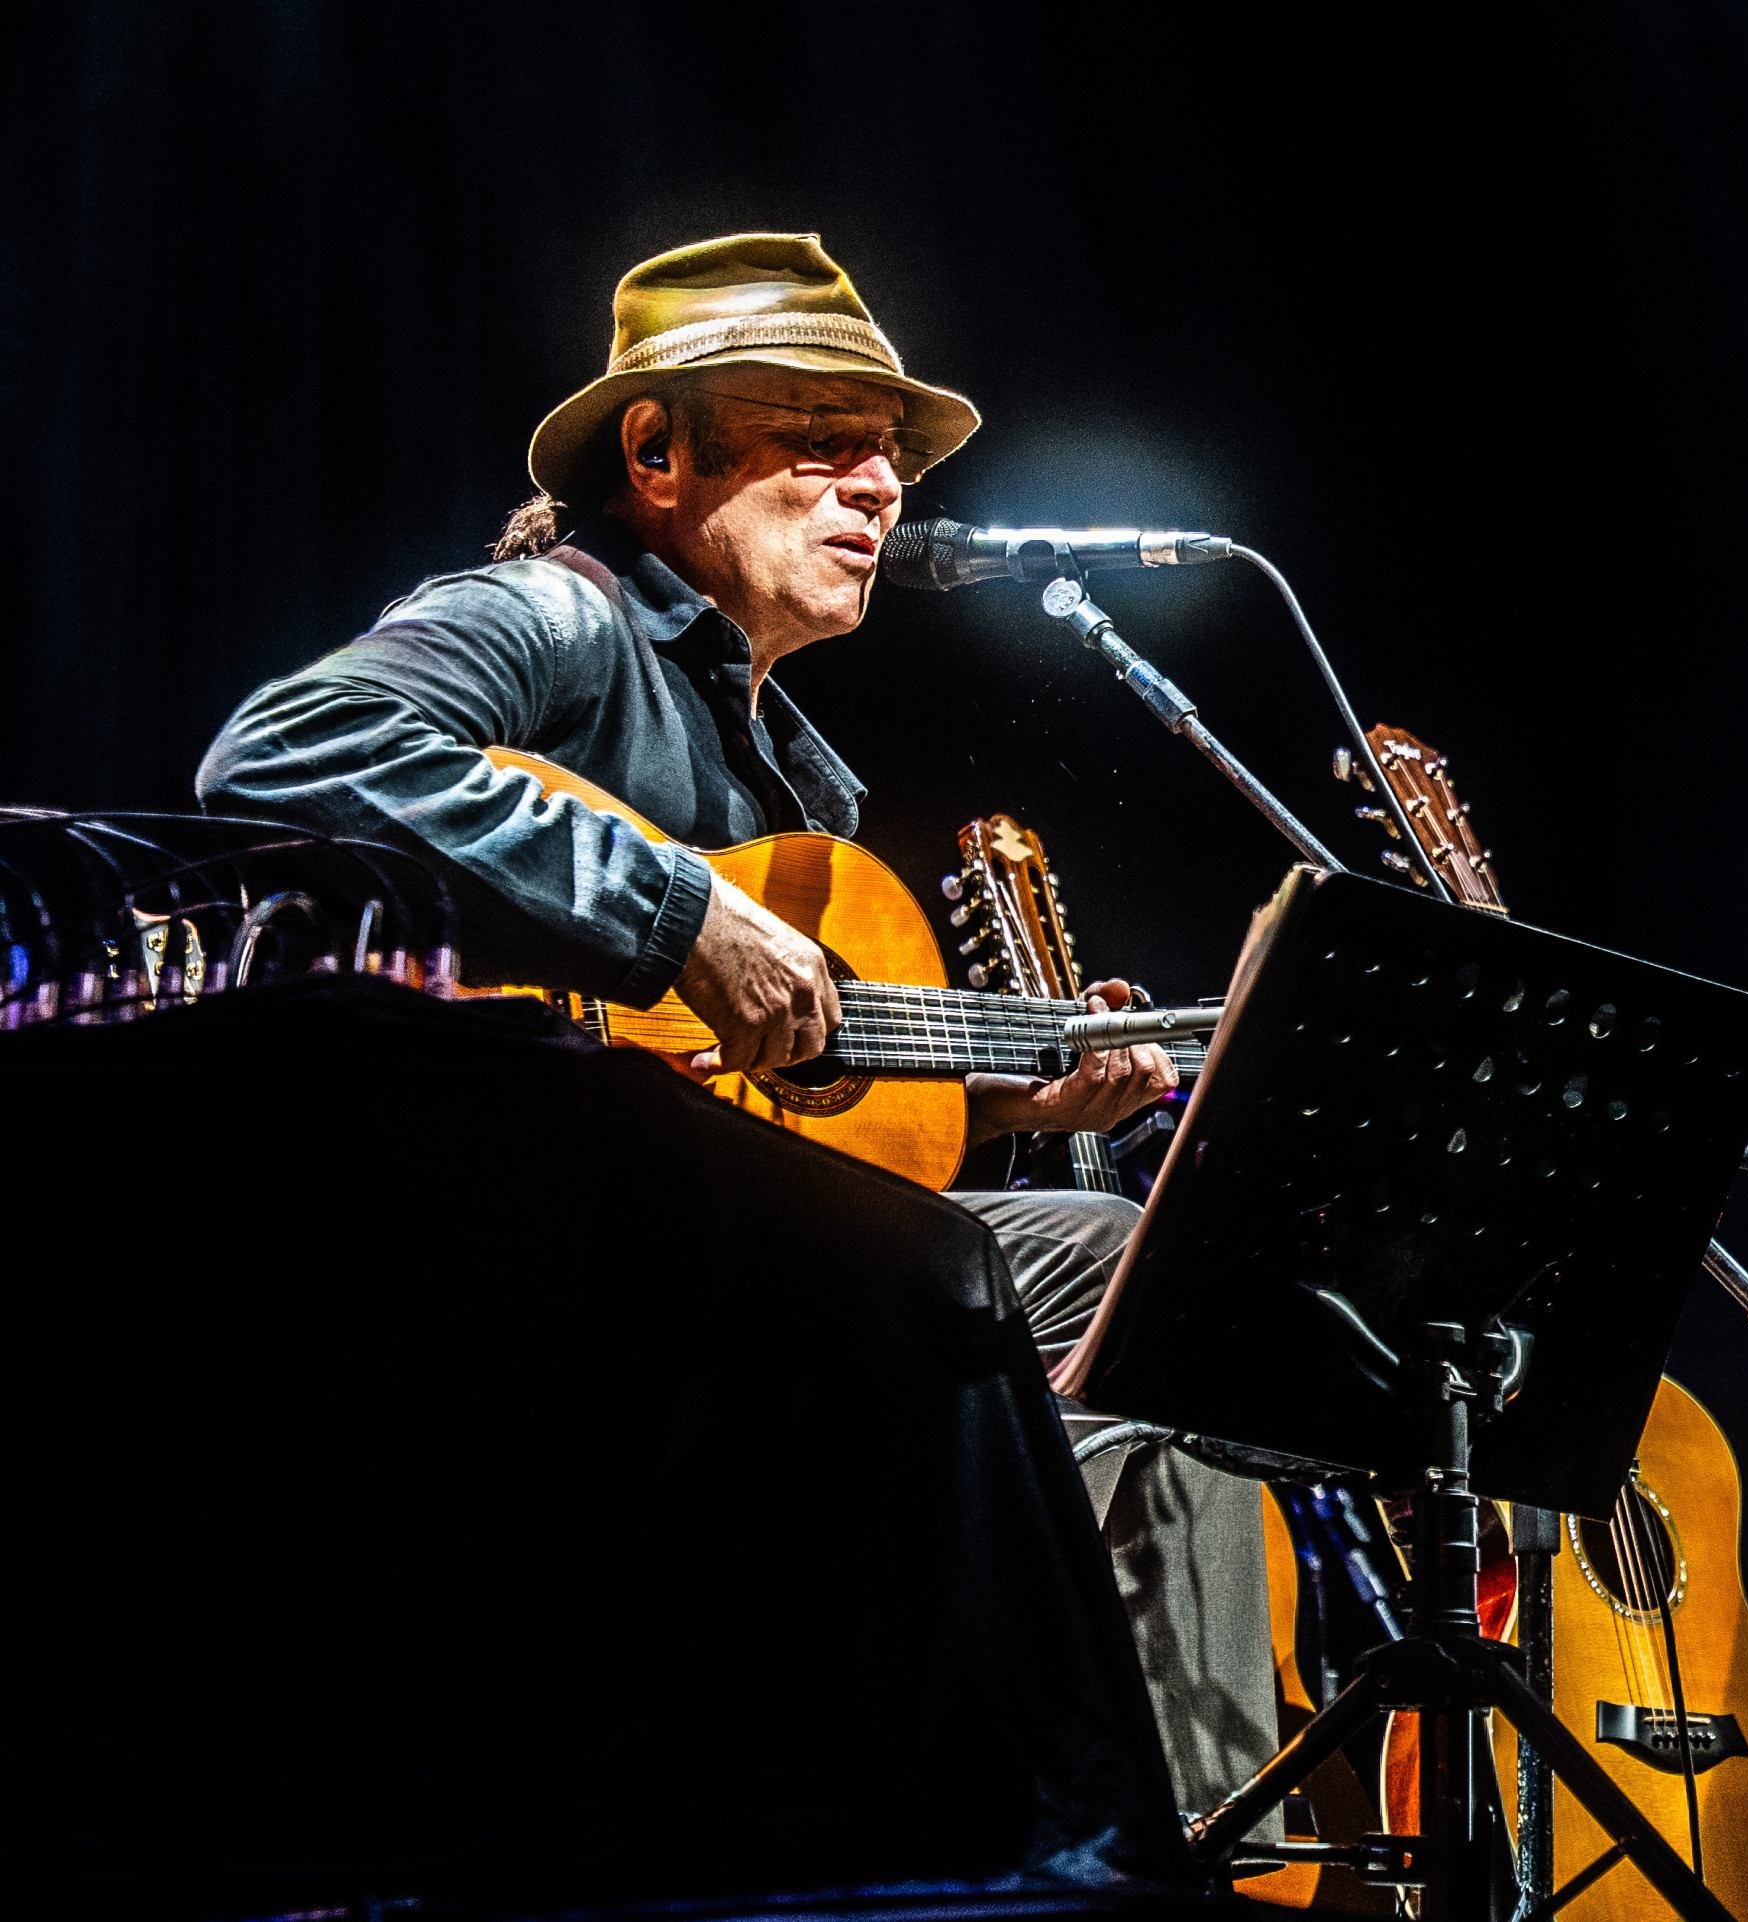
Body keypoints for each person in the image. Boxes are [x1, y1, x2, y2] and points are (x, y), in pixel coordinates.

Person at [194, 232, 1278, 1818]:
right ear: (657, 453)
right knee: (1059, 1288)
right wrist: (680, 913)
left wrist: (1010, 1102)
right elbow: (287, 746)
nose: (878, 486)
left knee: (1132, 1265)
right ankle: (1050, 1774)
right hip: (501, 1232)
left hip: (703, 1240)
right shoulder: (550, 619)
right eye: (820, 441)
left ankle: (1169, 1820)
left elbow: (781, 1086)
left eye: (889, 455)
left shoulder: (800, 786)